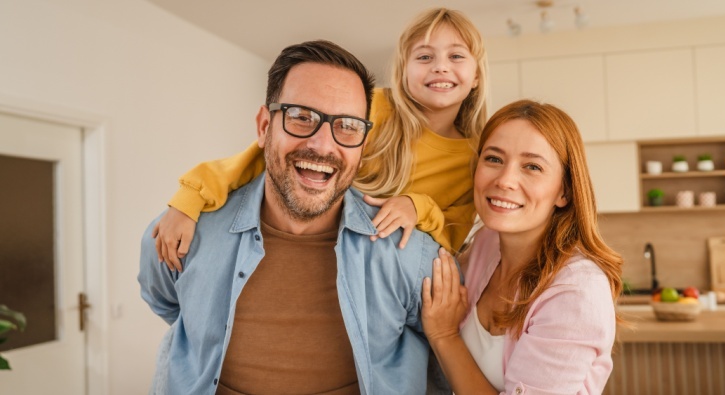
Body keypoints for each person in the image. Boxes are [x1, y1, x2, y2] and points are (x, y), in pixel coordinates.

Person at [138, 40, 443, 395]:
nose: (323, 145)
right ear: (265, 125)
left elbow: (445, 355)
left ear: (363, 142)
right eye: (301, 117)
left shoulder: (409, 251)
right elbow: (164, 299)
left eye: (347, 126)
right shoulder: (185, 232)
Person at [151, 8, 489, 271]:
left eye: (456, 56)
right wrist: (191, 196)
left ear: (476, 75)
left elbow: (450, 243)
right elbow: (268, 156)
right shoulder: (373, 107)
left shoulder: (475, 157)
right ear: (403, 70)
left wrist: (418, 206)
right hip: (308, 245)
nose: (440, 67)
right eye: (425, 57)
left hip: (379, 269)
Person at [421, 100, 623, 394]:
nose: (505, 180)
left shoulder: (576, 292)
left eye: (532, 166)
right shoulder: (485, 244)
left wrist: (444, 335)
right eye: (493, 159)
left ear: (564, 191)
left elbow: (444, 330)